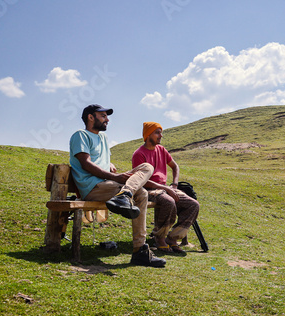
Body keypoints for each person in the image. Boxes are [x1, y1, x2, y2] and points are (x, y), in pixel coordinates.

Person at [69, 104, 166, 267]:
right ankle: (139, 250)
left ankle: (125, 195)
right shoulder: (80, 135)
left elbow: (99, 159)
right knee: (141, 193)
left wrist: (109, 164)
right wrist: (115, 176)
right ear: (90, 117)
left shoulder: (103, 138)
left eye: (107, 116)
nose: (107, 119)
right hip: (93, 187)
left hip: (108, 184)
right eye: (103, 116)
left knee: (147, 169)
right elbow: (86, 164)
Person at [132, 122, 200, 254]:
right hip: (149, 189)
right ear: (148, 134)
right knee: (169, 201)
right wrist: (166, 189)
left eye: (160, 132)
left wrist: (174, 185)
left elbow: (175, 166)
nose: (161, 135)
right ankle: (159, 238)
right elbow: (142, 181)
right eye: (157, 132)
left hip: (165, 188)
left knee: (193, 205)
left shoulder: (162, 150)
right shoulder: (139, 154)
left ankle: (172, 238)